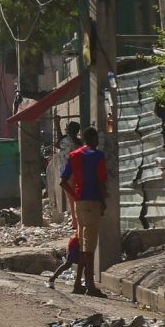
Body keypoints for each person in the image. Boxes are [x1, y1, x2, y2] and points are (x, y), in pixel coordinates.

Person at [60, 126, 107, 297]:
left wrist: (75, 196)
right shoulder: (97, 156)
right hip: (93, 201)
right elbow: (101, 182)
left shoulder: (74, 155)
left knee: (82, 244)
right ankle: (90, 285)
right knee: (90, 247)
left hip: (80, 203)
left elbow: (63, 181)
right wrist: (103, 203)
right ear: (94, 139)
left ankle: (77, 283)